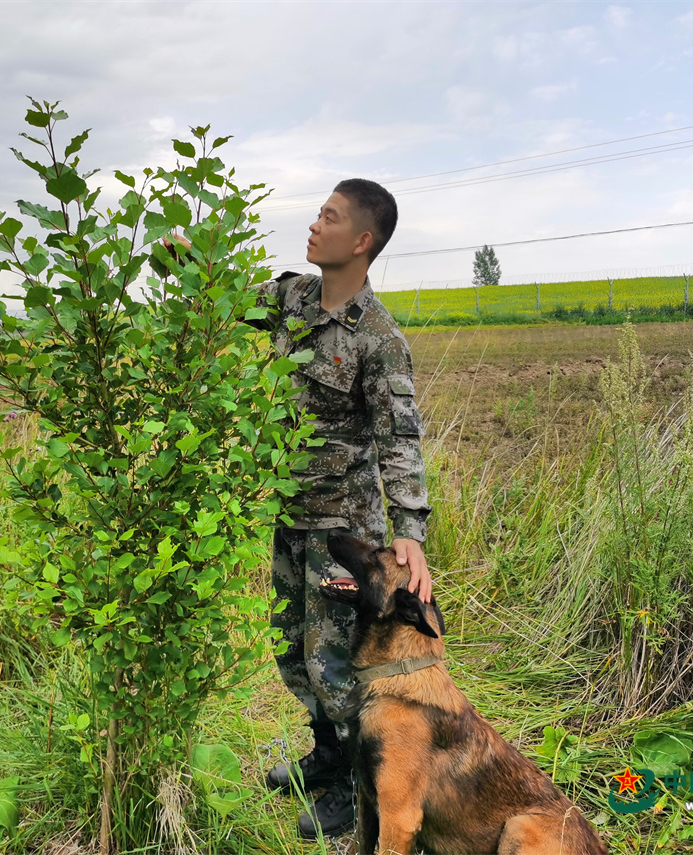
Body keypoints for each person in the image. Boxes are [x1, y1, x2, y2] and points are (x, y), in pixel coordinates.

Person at [243, 178, 433, 839]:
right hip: (290, 517)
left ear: (361, 240)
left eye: (328, 216)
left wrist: (409, 532)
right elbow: (228, 300)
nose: (313, 224)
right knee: (292, 651)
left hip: (343, 533)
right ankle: (326, 756)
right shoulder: (293, 297)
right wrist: (187, 262)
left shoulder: (378, 338)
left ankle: (358, 792)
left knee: (337, 667)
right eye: (316, 212)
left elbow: (399, 440)